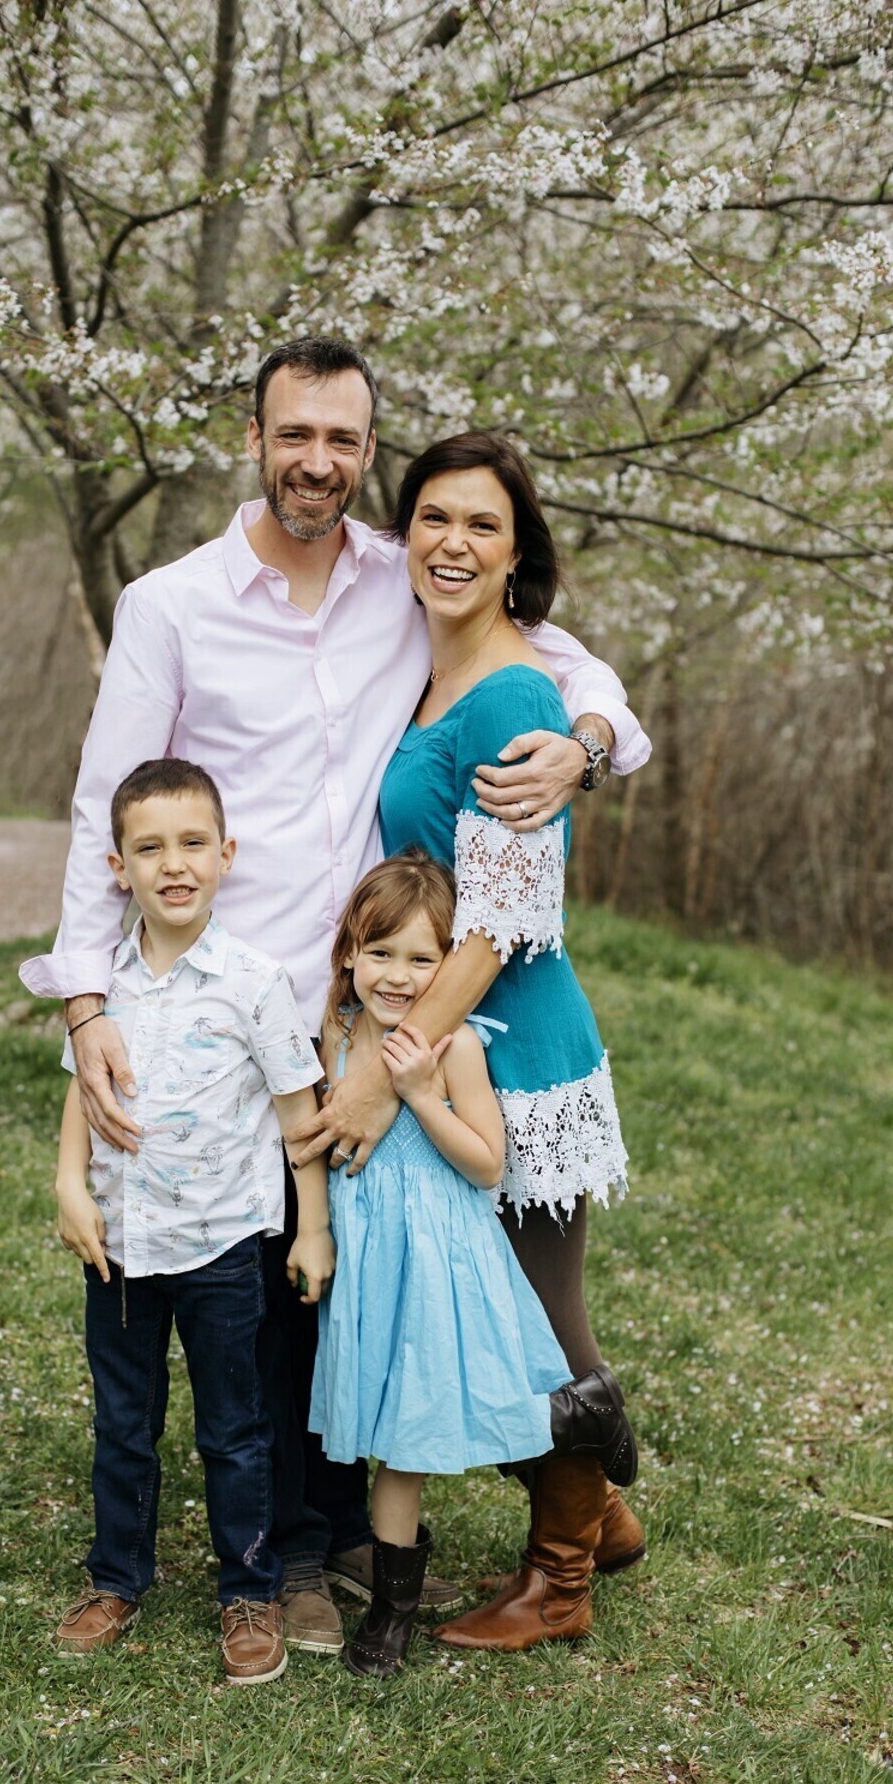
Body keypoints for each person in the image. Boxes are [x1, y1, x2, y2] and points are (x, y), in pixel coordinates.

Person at [21, 336, 651, 1650]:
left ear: (368, 451)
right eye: (295, 434)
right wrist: (87, 1005)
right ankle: (321, 1540)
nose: (318, 461)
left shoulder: (401, 576)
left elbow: (564, 668)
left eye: (344, 440)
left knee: (444, 1283)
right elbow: (103, 807)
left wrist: (587, 745)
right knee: (296, 1279)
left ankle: (509, 1532)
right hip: (256, 1009)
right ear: (254, 439)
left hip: (411, 1009)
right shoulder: (174, 606)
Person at [314, 430, 647, 1653]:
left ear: (518, 556)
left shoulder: (510, 694)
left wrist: (382, 1067)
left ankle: (560, 1583)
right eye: (434, 520)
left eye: (484, 526)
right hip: (449, 1035)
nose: (454, 544)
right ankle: (597, 1514)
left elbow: (502, 921)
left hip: (512, 1049)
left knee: (536, 1321)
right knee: (479, 1308)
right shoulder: (432, 670)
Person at [51, 757, 335, 1685]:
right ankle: (115, 1578)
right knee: (124, 1424)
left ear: (226, 855)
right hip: (121, 1247)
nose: (173, 864)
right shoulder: (101, 985)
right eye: (150, 848)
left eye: (192, 843)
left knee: (235, 1428)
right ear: (118, 867)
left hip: (221, 1248)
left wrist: (313, 1228)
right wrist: (69, 1183)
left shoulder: (255, 981)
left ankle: (248, 1592)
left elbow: (298, 1117)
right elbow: (83, 1089)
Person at [309, 852, 573, 1678]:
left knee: (409, 1440)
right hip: (367, 1265)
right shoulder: (337, 1031)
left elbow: (489, 1164)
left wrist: (422, 1095)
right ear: (349, 952)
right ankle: (389, 1593)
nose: (398, 975)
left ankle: (391, 1612)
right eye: (380, 952)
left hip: (434, 1265)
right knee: (384, 1426)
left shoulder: (455, 1046)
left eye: (423, 958)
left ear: (451, 964)